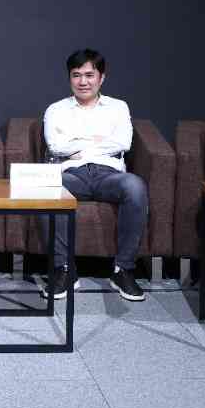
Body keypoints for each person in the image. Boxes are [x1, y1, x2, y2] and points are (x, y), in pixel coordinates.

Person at [37, 49, 149, 301]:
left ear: (101, 77)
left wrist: (77, 143)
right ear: (69, 78)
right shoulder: (56, 109)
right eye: (76, 75)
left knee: (135, 187)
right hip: (71, 173)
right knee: (46, 188)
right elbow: (56, 146)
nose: (83, 82)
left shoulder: (118, 107)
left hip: (109, 174)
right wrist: (97, 140)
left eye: (89, 75)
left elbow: (123, 142)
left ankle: (123, 270)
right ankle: (64, 269)